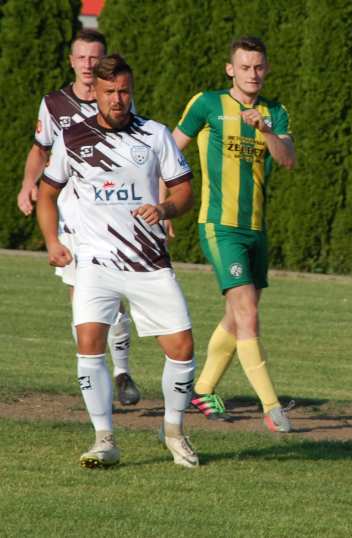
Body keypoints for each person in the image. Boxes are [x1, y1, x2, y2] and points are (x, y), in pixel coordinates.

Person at [37, 54, 198, 468]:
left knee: (182, 348)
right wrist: (52, 240)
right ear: (96, 93)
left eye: (124, 91)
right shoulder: (72, 138)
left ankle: (174, 430)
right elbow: (48, 193)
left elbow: (183, 193)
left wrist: (163, 210)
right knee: (89, 342)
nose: (118, 99)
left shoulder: (155, 135)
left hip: (148, 262)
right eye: (110, 92)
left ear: (132, 91)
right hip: (95, 263)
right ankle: (104, 437)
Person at [172, 36, 296, 432]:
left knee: (235, 315)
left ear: (267, 69)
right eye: (245, 67)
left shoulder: (275, 112)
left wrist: (267, 131)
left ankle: (203, 388)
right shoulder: (207, 103)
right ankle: (272, 407)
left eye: (259, 67)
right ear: (231, 69)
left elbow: (288, 160)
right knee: (248, 313)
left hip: (256, 229)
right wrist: (165, 206)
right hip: (219, 226)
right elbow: (171, 152)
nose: (253, 74)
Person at [18, 29, 141, 406]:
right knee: (82, 302)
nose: (88, 64)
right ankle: (97, 375)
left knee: (116, 304)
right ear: (71, 61)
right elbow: (41, 150)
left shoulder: (116, 102)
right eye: (82, 57)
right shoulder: (54, 103)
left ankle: (121, 371)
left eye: (95, 57)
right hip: (71, 217)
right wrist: (28, 184)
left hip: (111, 218)